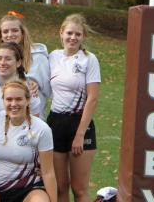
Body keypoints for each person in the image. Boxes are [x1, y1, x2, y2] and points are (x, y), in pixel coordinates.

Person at [48, 14, 100, 202]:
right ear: (61, 33)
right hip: (55, 123)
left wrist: (79, 134)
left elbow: (92, 98)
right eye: (69, 33)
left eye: (78, 34)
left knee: (79, 189)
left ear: (83, 36)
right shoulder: (52, 56)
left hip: (79, 124)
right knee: (60, 187)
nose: (73, 37)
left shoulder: (89, 59)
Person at [0, 81, 57, 202]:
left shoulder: (41, 129)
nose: (13, 104)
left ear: (27, 101)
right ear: (3, 101)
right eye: (9, 99)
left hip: (29, 188)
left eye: (18, 99)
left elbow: (48, 172)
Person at [0, 11, 50, 119]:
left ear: (22, 33)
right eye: (5, 31)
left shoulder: (38, 57)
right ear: (0, 35)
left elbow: (47, 91)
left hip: (33, 119)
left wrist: (33, 84)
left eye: (15, 30)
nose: (10, 35)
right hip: (4, 118)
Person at [0, 43, 42, 117]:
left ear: (18, 63)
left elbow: (35, 121)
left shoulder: (30, 88)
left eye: (8, 59)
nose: (2, 63)